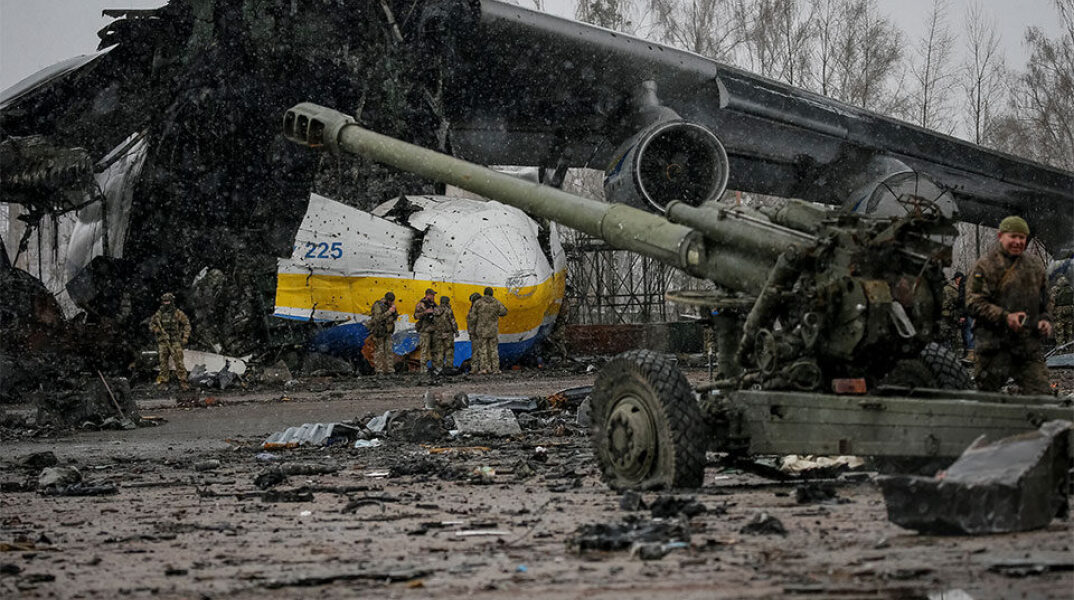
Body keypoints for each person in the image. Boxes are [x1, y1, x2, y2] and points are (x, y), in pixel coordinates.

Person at [965, 216, 1053, 394]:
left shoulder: (1035, 266)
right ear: (1001, 236)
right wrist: (1005, 317)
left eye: (1022, 237)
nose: (1018, 242)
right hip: (993, 347)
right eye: (1013, 236)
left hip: (1027, 347)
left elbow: (1046, 300)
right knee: (987, 400)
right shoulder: (985, 266)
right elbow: (973, 302)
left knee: (1043, 398)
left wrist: (1045, 320)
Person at [149, 292, 191, 390]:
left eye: (168, 301)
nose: (166, 303)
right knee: (163, 363)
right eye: (165, 301)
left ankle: (183, 381)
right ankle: (164, 382)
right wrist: (158, 330)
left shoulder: (177, 313)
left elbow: (187, 324)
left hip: (175, 341)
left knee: (179, 362)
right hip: (163, 341)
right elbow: (151, 325)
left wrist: (185, 337)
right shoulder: (159, 314)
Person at [471, 287, 508, 374]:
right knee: (494, 350)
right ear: (492, 293)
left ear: (484, 293)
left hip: (481, 330)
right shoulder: (496, 302)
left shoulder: (478, 302)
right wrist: (495, 314)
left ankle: (484, 369)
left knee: (482, 349)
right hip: (493, 330)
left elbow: (473, 316)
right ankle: (495, 369)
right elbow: (504, 312)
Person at [368, 292, 398, 374]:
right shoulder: (378, 305)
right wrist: (389, 312)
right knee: (379, 351)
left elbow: (394, 316)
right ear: (387, 300)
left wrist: (393, 313)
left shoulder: (390, 305)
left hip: (387, 331)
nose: (392, 303)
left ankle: (390, 370)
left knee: (389, 351)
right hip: (380, 331)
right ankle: (379, 370)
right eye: (391, 301)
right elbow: (377, 319)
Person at [432, 296, 459, 372]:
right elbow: (453, 322)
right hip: (448, 334)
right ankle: (449, 367)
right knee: (449, 350)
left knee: (439, 351)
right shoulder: (448, 310)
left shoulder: (435, 310)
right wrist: (456, 331)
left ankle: (439, 367)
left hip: (438, 334)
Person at [414, 288, 438, 372]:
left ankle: (435, 368)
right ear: (428, 295)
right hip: (425, 330)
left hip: (433, 330)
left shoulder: (434, 304)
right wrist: (425, 312)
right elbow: (416, 316)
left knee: (435, 350)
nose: (434, 296)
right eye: (432, 295)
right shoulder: (421, 304)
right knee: (424, 350)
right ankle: (423, 369)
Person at [1051, 275, 1073, 345]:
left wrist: (1051, 312)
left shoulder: (1055, 289)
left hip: (1059, 313)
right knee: (1069, 331)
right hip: (1069, 310)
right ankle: (1070, 349)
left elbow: (1052, 301)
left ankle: (1060, 350)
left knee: (1059, 332)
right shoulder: (1070, 288)